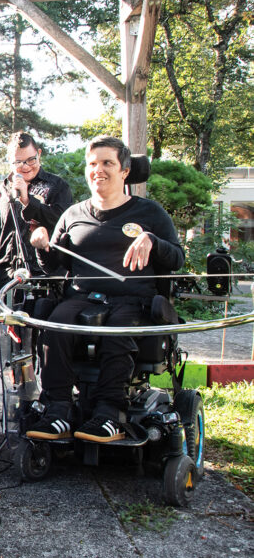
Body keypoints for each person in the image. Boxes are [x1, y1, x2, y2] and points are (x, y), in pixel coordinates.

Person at [26, 136, 185, 443]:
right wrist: (42, 245)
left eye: (107, 163)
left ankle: (110, 413)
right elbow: (53, 266)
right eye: (93, 164)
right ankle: (57, 410)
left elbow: (177, 258)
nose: (98, 170)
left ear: (125, 170)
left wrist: (153, 241)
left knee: (118, 328)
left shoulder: (150, 213)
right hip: (83, 297)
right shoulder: (73, 215)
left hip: (132, 301)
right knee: (55, 324)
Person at [0, 132, 72, 293]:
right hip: (9, 273)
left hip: (46, 274)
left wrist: (28, 201)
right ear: (10, 161)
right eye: (19, 162)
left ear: (39, 154)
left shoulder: (57, 186)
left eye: (31, 160)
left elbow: (62, 221)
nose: (26, 166)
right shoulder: (1, 192)